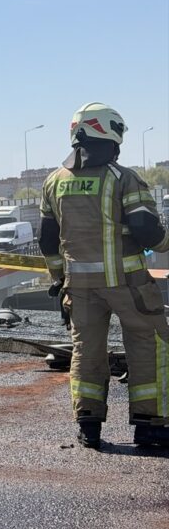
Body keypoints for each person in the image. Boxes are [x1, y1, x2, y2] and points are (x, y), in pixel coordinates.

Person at [39, 102, 169, 450]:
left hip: (79, 289)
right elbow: (146, 229)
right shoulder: (122, 178)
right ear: (109, 134)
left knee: (86, 351)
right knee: (149, 345)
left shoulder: (54, 182)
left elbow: (47, 241)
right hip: (128, 285)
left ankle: (89, 427)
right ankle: (150, 425)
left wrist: (58, 278)